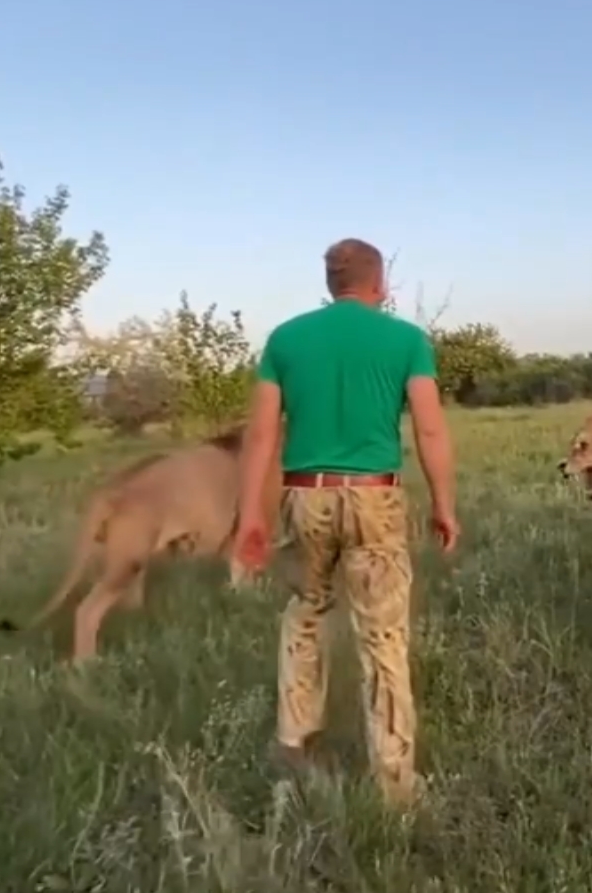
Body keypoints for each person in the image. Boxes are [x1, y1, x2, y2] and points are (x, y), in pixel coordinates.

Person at [229, 237, 460, 809]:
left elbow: (261, 435)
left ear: (331, 284)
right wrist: (443, 505)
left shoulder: (285, 339)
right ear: (379, 284)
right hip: (375, 499)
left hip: (304, 496)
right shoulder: (406, 340)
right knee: (383, 637)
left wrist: (250, 515)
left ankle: (294, 751)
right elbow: (430, 429)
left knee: (305, 615)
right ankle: (395, 783)